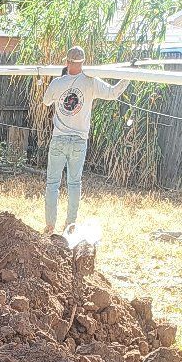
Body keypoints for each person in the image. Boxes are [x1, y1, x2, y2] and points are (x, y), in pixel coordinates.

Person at [42, 47, 128, 234]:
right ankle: (70, 225)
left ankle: (50, 225)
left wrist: (61, 82)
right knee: (74, 183)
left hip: (59, 139)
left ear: (67, 62)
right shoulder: (90, 82)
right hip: (79, 141)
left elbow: (46, 101)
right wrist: (128, 77)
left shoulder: (57, 83)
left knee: (52, 183)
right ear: (83, 62)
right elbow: (113, 93)